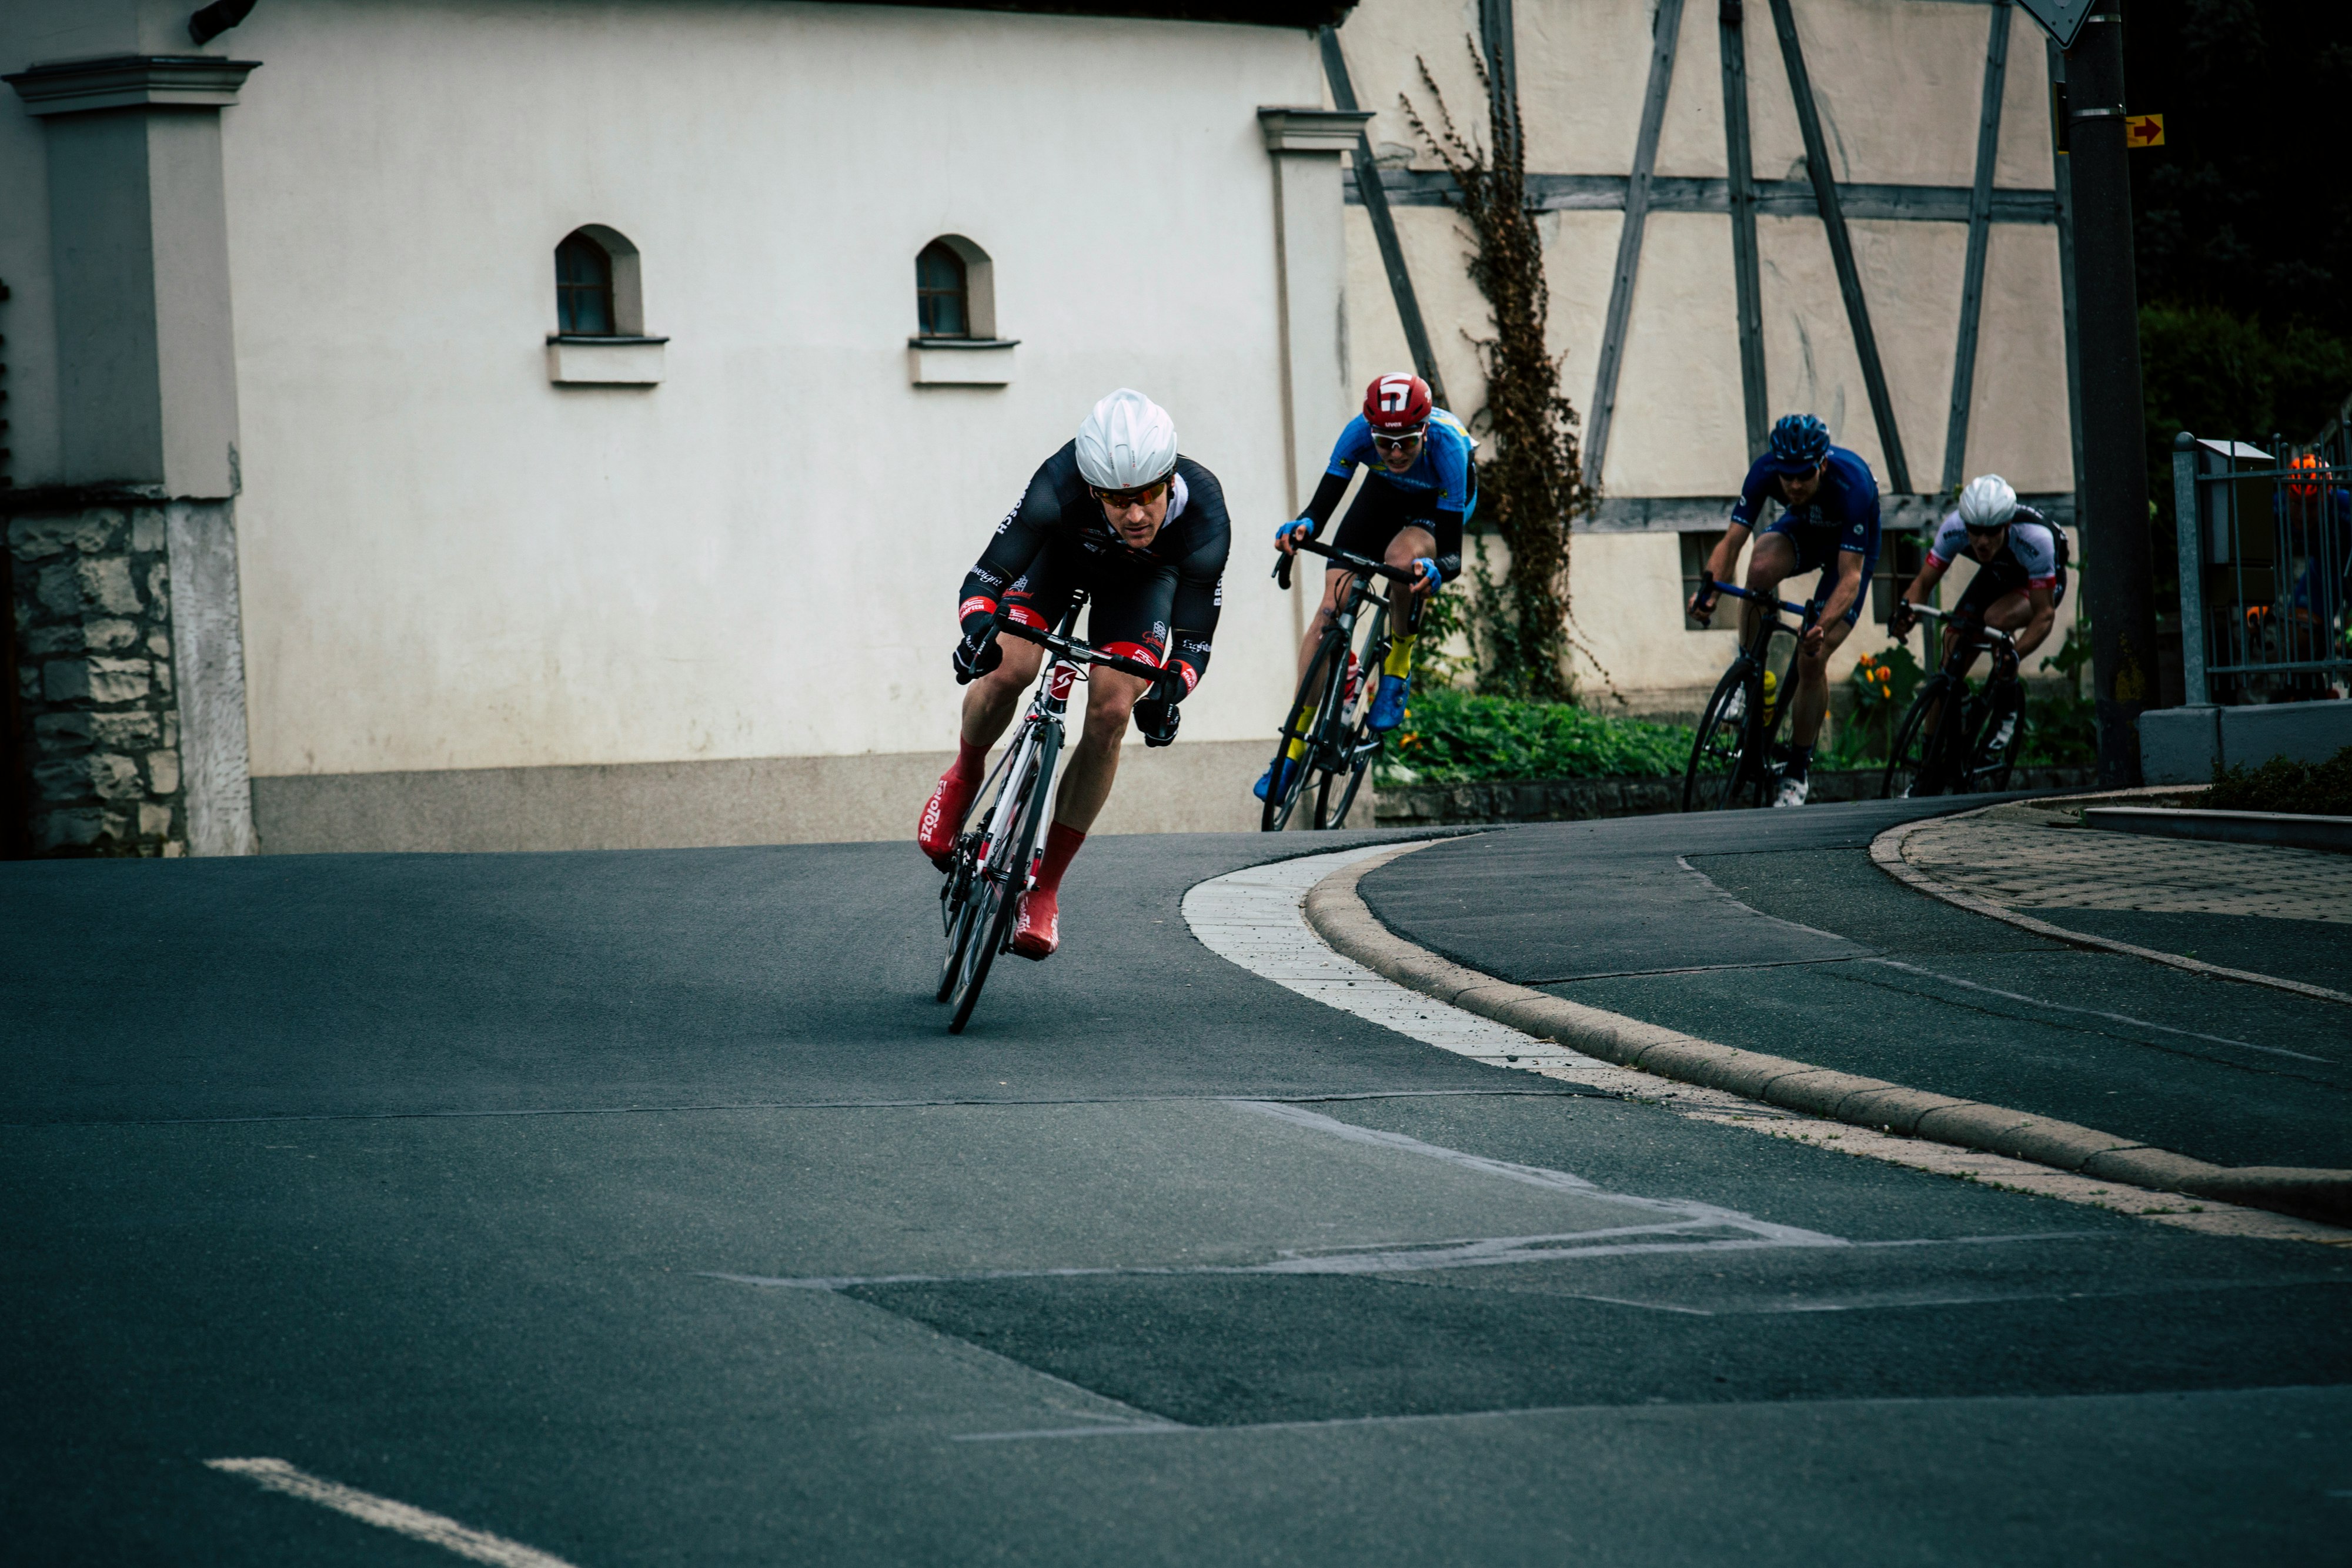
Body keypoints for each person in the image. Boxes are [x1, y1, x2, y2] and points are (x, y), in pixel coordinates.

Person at [916, 389, 1231, 959]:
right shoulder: (1058, 482)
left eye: (1148, 497)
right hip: (1058, 560)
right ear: (1093, 490)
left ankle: (1046, 889)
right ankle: (963, 776)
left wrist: (1171, 692)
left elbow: (1194, 639)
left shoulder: (1204, 513)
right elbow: (987, 575)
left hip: (1140, 586)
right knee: (1009, 667)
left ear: (1169, 479)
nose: (1136, 515)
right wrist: (976, 630)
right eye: (1117, 500)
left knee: (1112, 711)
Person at [1262, 372, 1473, 800]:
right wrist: (1304, 525)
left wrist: (1435, 571)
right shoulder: (1357, 434)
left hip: (1437, 505)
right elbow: (1320, 509)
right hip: (1383, 496)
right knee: (1329, 611)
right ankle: (1292, 749)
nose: (1395, 453)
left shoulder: (1449, 450)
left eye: (1408, 443)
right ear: (1371, 433)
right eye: (1384, 443)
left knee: (1401, 560)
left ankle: (1398, 662)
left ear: (1425, 432)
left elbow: (1452, 556)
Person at [1686, 412, 1881, 807]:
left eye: (1804, 475)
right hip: (1806, 530)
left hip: (1850, 553)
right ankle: (1747, 677)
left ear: (1822, 464)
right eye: (1786, 475)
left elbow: (1850, 579)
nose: (1793, 484)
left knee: (1812, 657)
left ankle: (1797, 771)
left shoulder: (1855, 483)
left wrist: (1820, 627)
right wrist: (1709, 589)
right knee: (1759, 567)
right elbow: (1734, 541)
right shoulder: (1764, 471)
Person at [1888, 473, 2067, 758]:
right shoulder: (1954, 528)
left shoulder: (2036, 539)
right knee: (1951, 652)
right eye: (1975, 531)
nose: (1982, 541)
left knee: (1996, 619)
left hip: (2038, 583)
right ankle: (1929, 761)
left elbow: (2044, 615)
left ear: (2007, 525)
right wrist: (1905, 613)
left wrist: (2015, 655)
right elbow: (1922, 584)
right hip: (1997, 574)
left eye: (1992, 532)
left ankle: (2006, 700)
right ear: (1965, 524)